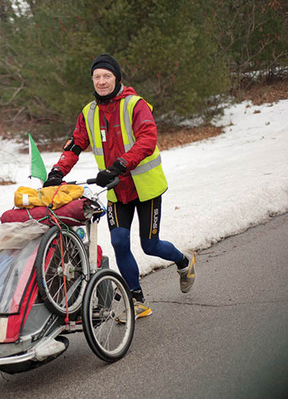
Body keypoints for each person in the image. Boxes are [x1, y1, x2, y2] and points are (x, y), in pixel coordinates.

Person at [44, 54, 196, 321]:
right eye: (97, 77)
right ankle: (137, 300)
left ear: (117, 78)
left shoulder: (135, 105)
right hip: (116, 190)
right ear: (92, 80)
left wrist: (118, 165)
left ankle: (184, 262)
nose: (101, 81)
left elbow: (147, 139)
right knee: (118, 242)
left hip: (144, 188)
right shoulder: (88, 113)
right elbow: (76, 144)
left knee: (150, 245)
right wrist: (57, 171)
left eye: (107, 76)